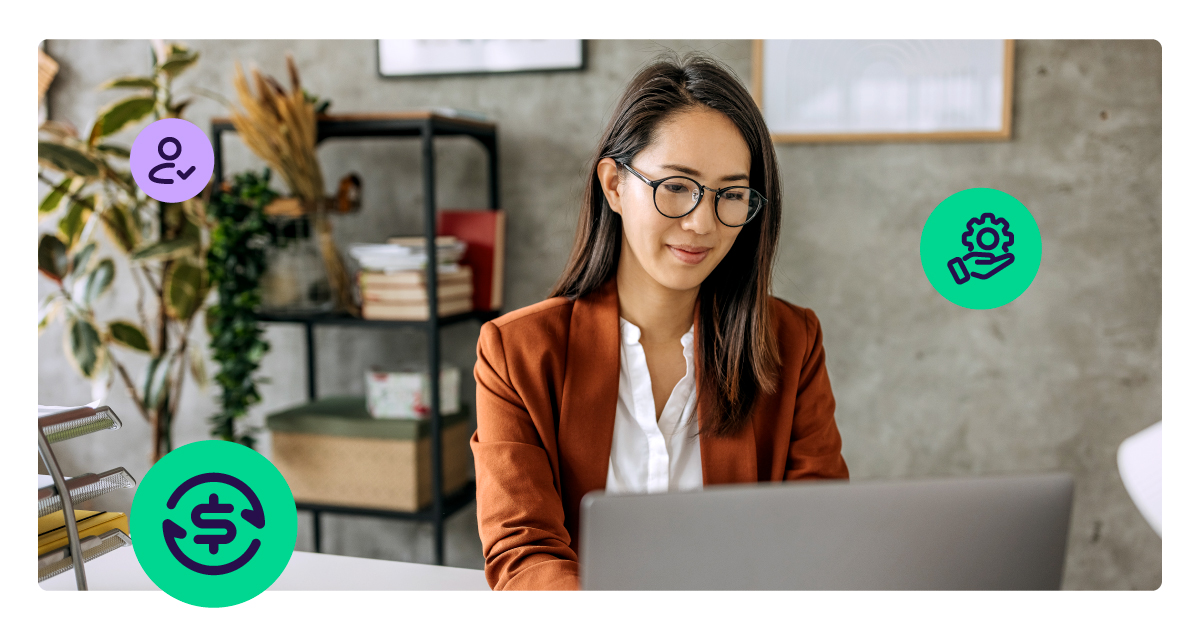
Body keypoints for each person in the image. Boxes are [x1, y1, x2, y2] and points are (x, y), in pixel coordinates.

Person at [470, 52, 850, 591]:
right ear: (614, 185)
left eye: (732, 195)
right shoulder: (518, 352)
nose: (700, 222)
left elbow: (820, 534)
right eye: (675, 186)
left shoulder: (792, 342)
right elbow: (523, 550)